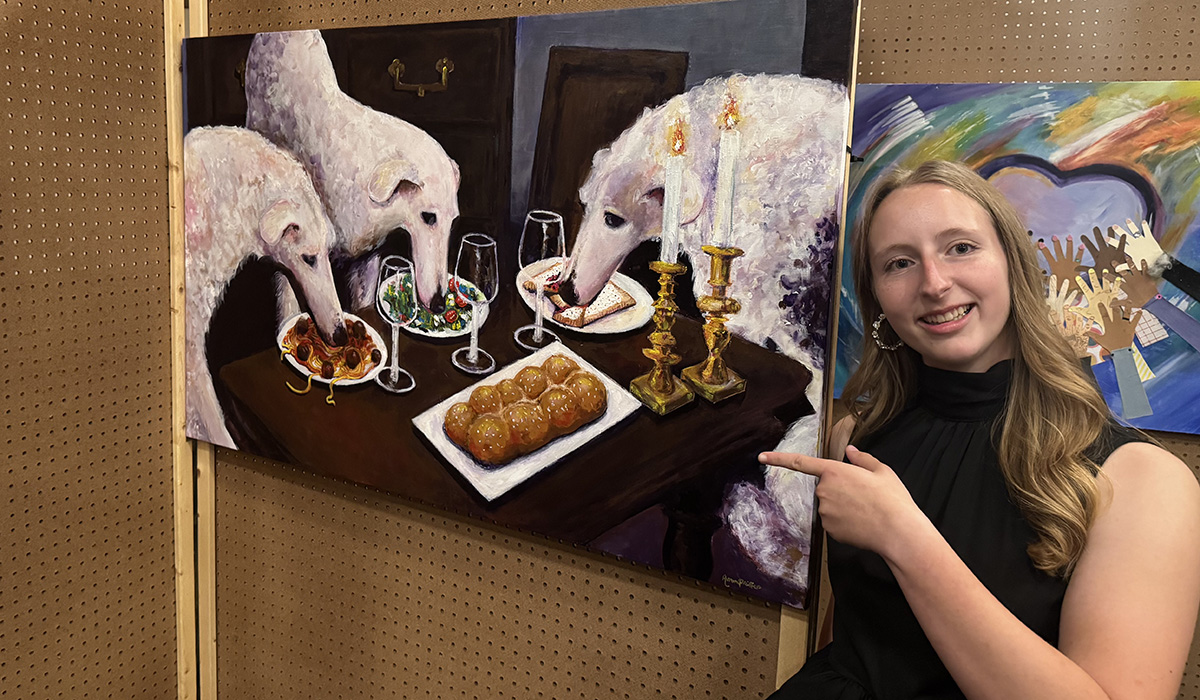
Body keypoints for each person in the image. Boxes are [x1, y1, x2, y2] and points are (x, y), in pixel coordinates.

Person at [761, 160, 1200, 700]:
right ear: (877, 298)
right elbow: (857, 639)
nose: (935, 283)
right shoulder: (856, 435)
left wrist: (903, 537)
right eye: (899, 263)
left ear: (1013, 263)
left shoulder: (1145, 481)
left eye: (961, 248)